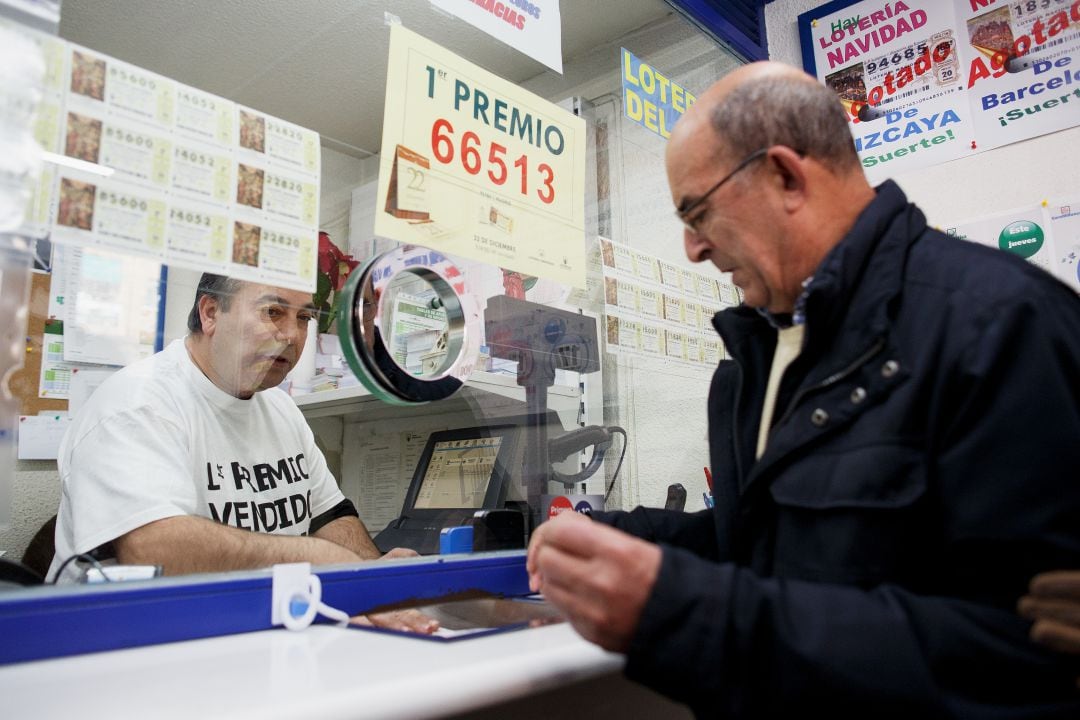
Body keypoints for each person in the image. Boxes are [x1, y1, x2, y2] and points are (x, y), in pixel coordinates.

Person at [527, 61, 1080, 717]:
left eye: (697, 212)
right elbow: (780, 551)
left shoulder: (1000, 325)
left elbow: (1020, 662)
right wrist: (631, 540)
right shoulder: (751, 362)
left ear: (786, 175)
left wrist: (683, 608)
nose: (692, 249)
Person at [49, 273, 435, 632]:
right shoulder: (137, 404)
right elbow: (153, 549)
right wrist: (315, 557)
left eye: (303, 318)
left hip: (253, 630)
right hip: (126, 641)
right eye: (273, 312)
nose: (291, 335)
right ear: (211, 313)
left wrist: (376, 582)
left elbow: (331, 516)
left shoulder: (281, 409)